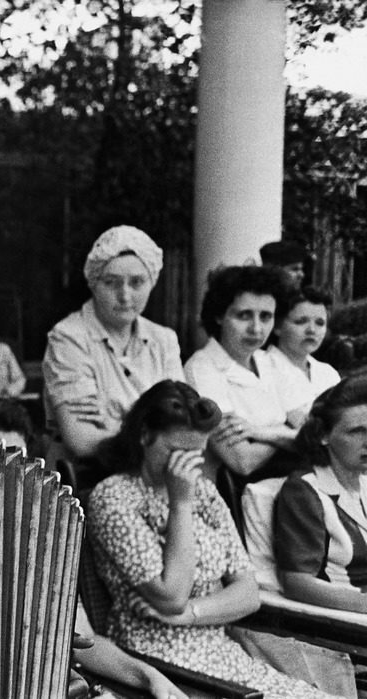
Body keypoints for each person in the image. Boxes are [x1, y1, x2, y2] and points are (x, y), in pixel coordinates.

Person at [89, 380, 337, 698]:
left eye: (197, 453)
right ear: (145, 435)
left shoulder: (203, 490)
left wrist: (189, 614)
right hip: (159, 664)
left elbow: (248, 594)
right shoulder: (114, 497)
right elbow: (171, 596)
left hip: (223, 653)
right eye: (177, 451)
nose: (186, 465)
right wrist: (181, 504)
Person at [0, 396, 187, 699]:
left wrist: (148, 676)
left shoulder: (38, 539)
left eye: (18, 465)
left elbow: (86, 641)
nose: (7, 480)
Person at [42, 225, 184, 490]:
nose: (125, 295)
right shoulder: (69, 338)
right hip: (83, 482)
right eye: (112, 282)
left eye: (137, 282)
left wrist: (113, 426)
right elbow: (81, 440)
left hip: (157, 479)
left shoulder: (163, 340)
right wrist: (156, 434)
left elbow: (182, 423)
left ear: (152, 281)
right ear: (94, 282)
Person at [184, 265, 296, 478]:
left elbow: (316, 432)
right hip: (234, 494)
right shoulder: (202, 370)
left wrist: (259, 432)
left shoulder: (271, 362)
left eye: (265, 317)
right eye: (244, 316)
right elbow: (241, 460)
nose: (256, 329)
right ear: (219, 315)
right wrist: (287, 431)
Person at [274, 376, 367, 614]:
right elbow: (296, 583)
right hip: (346, 623)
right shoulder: (304, 492)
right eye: (357, 431)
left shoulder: (364, 480)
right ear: (323, 436)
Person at [264, 286, 341, 429]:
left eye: (320, 323)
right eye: (301, 321)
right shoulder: (262, 367)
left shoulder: (328, 373)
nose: (312, 330)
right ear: (277, 327)